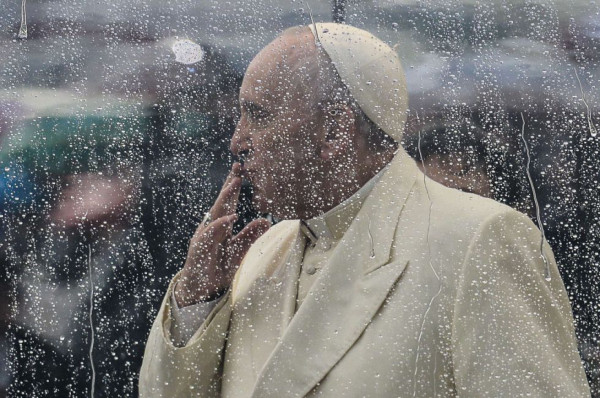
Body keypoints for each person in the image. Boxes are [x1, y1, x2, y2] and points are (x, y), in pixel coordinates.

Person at [139, 23, 590, 397]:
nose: (237, 141)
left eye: (257, 115)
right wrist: (196, 298)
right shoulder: (260, 249)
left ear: (335, 130)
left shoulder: (480, 238)